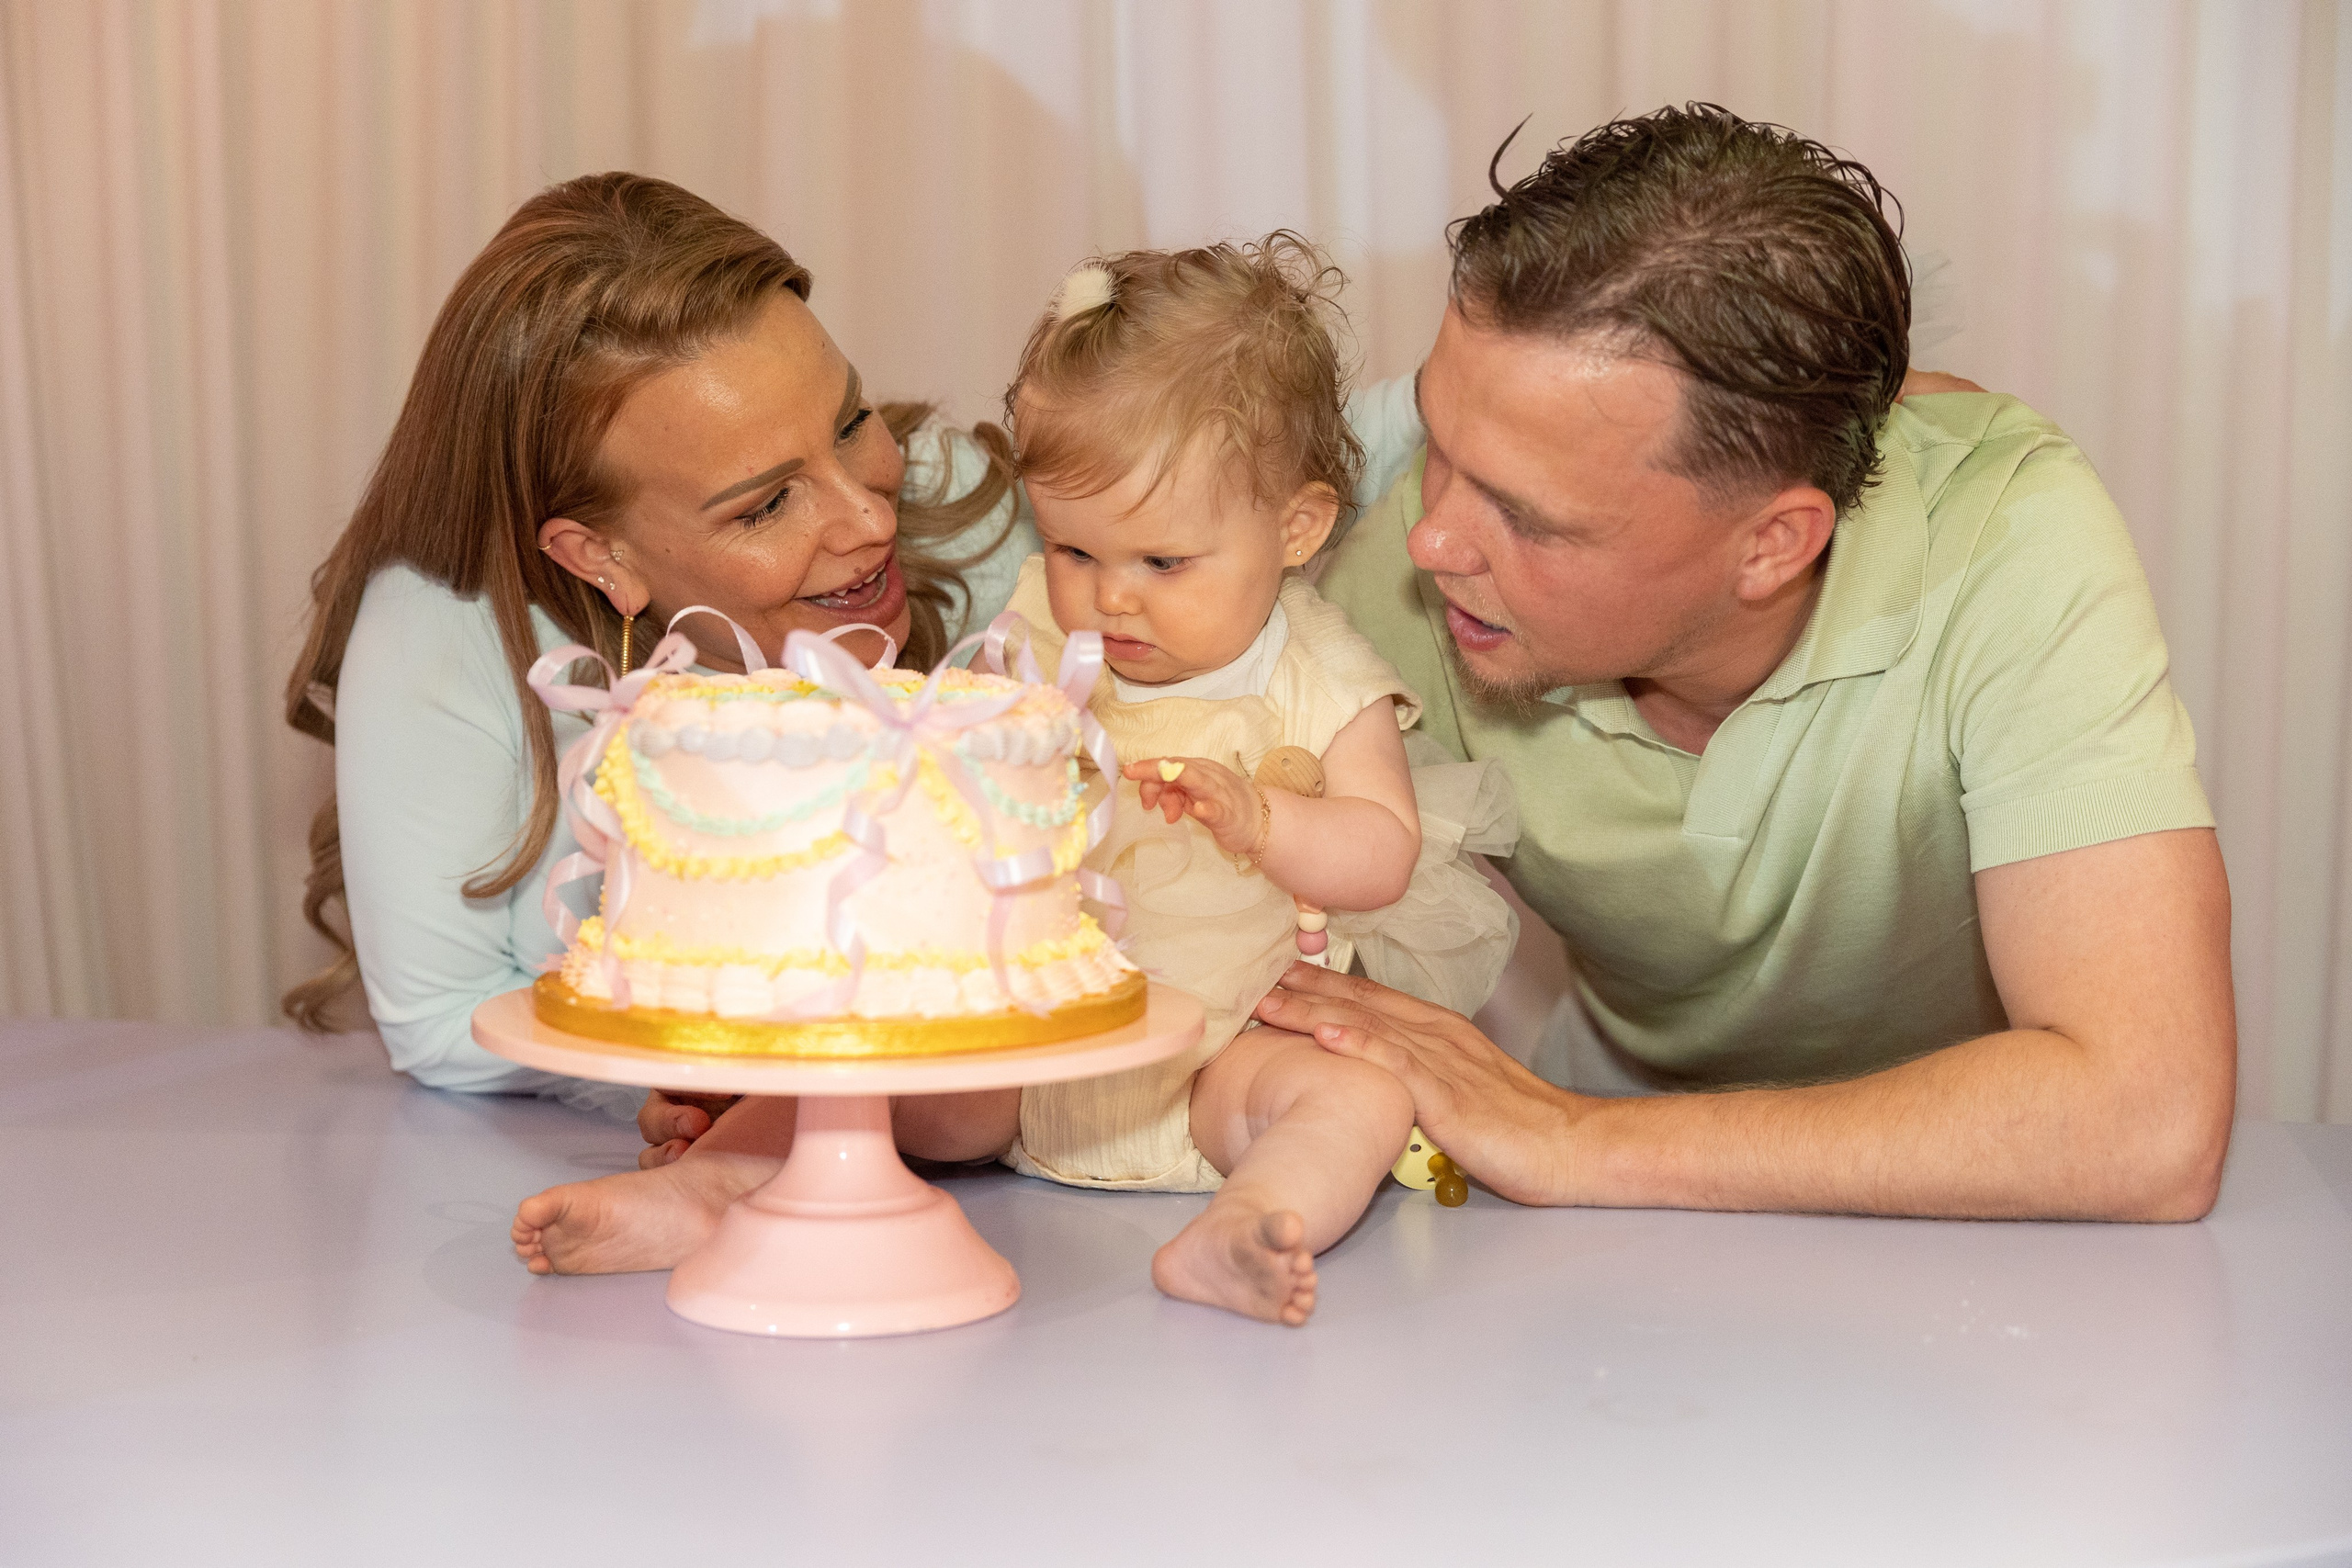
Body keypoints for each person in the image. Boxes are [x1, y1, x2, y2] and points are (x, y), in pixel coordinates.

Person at [514, 237, 1521, 1325]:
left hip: (1230, 1048)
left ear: (1296, 528)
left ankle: (1249, 1225)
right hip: (1035, 1037)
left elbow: (1382, 852)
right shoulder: (1043, 625)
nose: (1109, 600)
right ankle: (703, 1193)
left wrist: (1265, 816)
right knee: (871, 1077)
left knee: (1357, 1097)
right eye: (1074, 552)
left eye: (1160, 563)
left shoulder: (1319, 669)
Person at [281, 175, 1423, 1130]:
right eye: (764, 504)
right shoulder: (443, 624)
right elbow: (439, 1018)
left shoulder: (1007, 531)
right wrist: (728, 1091)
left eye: (845, 422)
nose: (869, 517)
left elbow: (1281, 453)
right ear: (599, 555)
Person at [1262, 104, 2237, 1223]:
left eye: (1529, 516)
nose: (1434, 538)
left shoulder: (2010, 538)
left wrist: (1571, 1135)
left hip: (1981, 1229)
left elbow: (2147, 1122)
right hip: (1593, 1232)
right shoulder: (1401, 571)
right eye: (1439, 439)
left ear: (1773, 545)